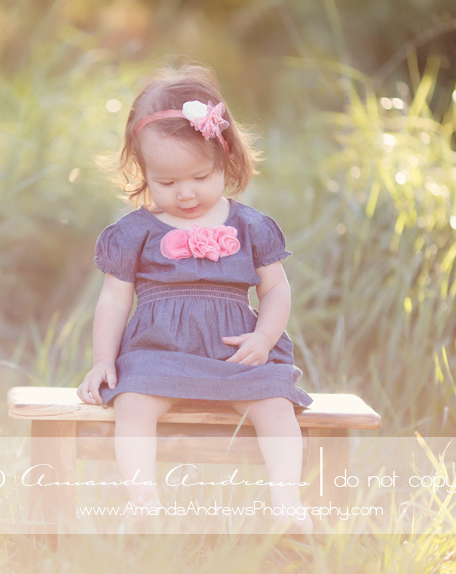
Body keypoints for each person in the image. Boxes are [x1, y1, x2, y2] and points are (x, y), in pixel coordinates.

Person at [76, 64, 313, 533]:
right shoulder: (134, 232)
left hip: (234, 351)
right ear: (143, 173)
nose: (186, 194)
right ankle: (143, 502)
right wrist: (105, 359)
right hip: (159, 351)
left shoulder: (251, 226)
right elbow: (114, 301)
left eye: (201, 176)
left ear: (225, 159)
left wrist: (265, 339)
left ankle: (287, 504)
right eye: (166, 183)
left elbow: (276, 289)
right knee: (133, 403)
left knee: (275, 403)